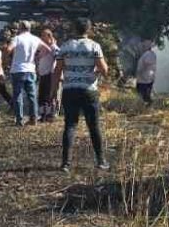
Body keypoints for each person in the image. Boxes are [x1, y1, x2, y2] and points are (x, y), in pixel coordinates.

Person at [54, 18, 110, 172]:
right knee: (93, 126)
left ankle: (65, 163)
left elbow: (57, 71)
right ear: (89, 29)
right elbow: (104, 70)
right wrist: (97, 72)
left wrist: (54, 92)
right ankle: (101, 161)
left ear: (74, 29)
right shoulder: (94, 46)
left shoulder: (65, 46)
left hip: (69, 89)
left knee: (70, 125)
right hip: (88, 90)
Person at [7, 21, 43, 125]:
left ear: (20, 28)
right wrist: (36, 57)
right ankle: (34, 118)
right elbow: (47, 49)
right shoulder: (35, 39)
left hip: (18, 69)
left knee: (18, 95)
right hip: (30, 69)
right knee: (32, 96)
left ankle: (19, 120)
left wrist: (6, 57)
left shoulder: (17, 38)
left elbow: (9, 49)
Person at [36, 28, 59, 122]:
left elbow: (58, 58)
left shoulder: (53, 47)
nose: (41, 37)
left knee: (48, 96)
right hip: (43, 74)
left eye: (43, 35)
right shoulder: (43, 47)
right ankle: (43, 115)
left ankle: (50, 115)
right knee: (42, 96)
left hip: (49, 74)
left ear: (49, 36)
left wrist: (54, 72)